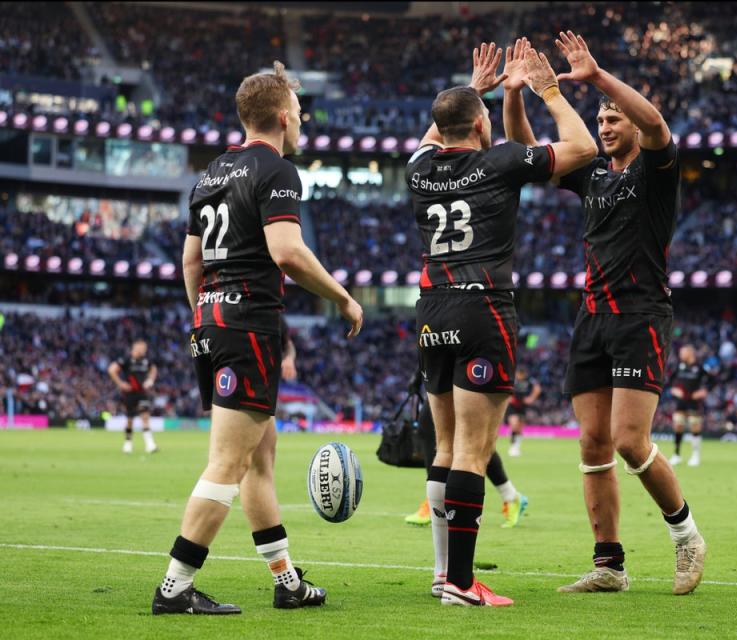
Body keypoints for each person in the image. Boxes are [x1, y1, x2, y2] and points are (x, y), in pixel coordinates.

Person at [152, 61, 364, 616]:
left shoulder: (211, 174)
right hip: (249, 326)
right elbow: (287, 253)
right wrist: (342, 296)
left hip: (215, 321)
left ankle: (286, 579)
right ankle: (174, 587)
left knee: (257, 457)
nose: (301, 121)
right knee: (227, 462)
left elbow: (191, 260)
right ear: (279, 116)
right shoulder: (276, 169)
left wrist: (204, 316)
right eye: (298, 113)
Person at [503, 31, 705, 596]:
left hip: (640, 315)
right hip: (592, 319)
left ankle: (686, 536)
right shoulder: (593, 176)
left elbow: (660, 125)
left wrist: (594, 77)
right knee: (592, 445)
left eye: (615, 118)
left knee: (629, 441)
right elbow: (530, 157)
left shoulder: (655, 174)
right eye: (602, 119)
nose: (606, 125)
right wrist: (518, 93)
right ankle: (609, 566)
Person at [408, 42, 596, 606]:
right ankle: (463, 585)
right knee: (473, 450)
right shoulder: (500, 163)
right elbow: (584, 148)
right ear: (480, 124)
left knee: (445, 447)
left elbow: (433, 134)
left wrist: (476, 90)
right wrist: (548, 92)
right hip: (483, 307)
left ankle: (443, 573)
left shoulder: (418, 170)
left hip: (432, 309)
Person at [403, 370, 529, 530]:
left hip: (466, 364)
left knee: (467, 437)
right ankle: (510, 496)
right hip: (445, 363)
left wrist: (418, 374)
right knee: (459, 436)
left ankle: (435, 500)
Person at [108, 339, 158, 454]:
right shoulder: (126, 360)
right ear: (136, 348)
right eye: (143, 348)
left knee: (145, 416)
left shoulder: (146, 360)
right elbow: (111, 370)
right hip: (129, 393)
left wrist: (150, 380)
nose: (144, 350)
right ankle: (128, 443)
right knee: (130, 419)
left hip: (142, 393)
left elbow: (154, 369)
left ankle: (150, 445)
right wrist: (120, 384)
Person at [668, 345, 709, 466]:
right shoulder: (679, 366)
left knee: (694, 426)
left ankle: (695, 455)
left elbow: (712, 380)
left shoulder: (699, 367)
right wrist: (673, 389)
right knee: (677, 426)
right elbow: (669, 381)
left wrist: (704, 391)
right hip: (681, 402)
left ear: (690, 353)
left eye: (682, 353)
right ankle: (676, 455)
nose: (680, 355)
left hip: (694, 401)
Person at [506, 366, 542, 457]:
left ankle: (516, 446)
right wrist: (508, 397)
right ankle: (512, 447)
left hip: (523, 405)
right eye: (519, 374)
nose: (520, 376)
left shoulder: (529, 380)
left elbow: (537, 388)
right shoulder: (512, 379)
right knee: (514, 424)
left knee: (520, 428)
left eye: (522, 374)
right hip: (512, 405)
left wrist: (531, 398)